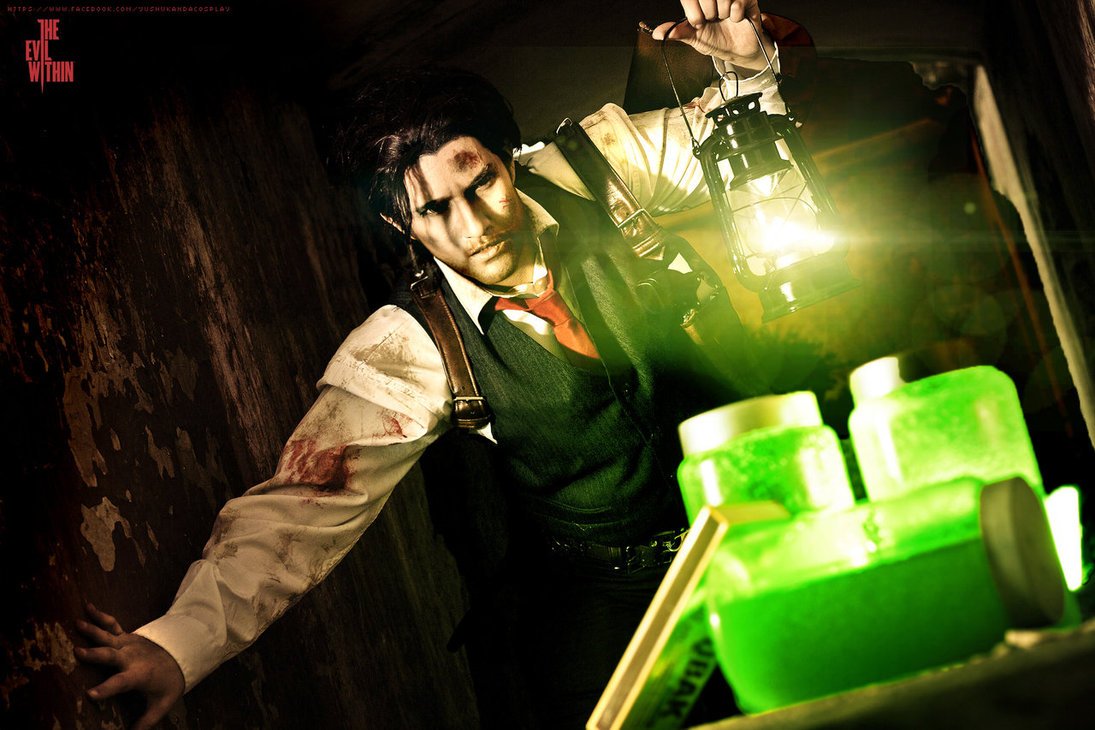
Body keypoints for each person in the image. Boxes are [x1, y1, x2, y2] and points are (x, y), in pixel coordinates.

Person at [74, 1, 787, 727]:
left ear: (508, 155)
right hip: (616, 589)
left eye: (481, 184)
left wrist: (746, 67)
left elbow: (753, 150)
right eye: (434, 210)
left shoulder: (594, 168)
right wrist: (179, 646)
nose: (474, 227)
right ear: (399, 223)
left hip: (774, 510)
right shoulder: (409, 345)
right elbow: (304, 505)